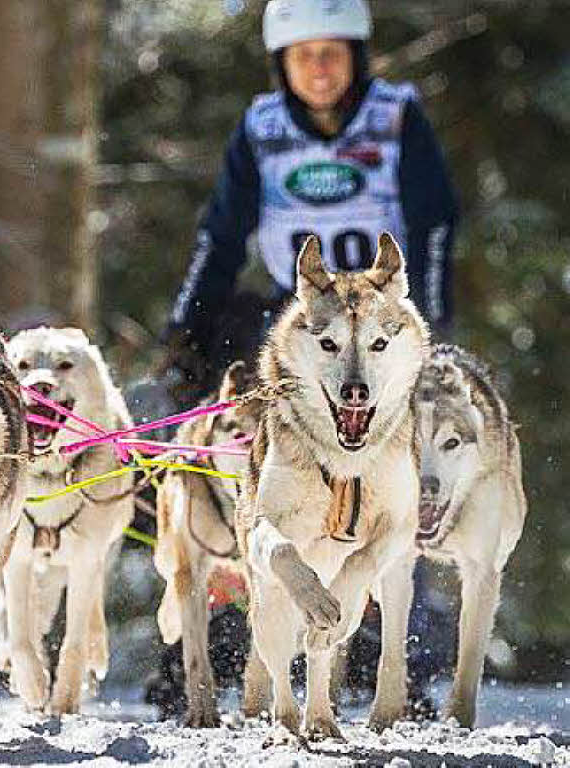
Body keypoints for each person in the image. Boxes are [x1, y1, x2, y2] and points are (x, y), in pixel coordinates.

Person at [150, 0, 459, 719]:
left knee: (401, 476)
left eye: (333, 53)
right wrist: (183, 333)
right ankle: (209, 641)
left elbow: (434, 222)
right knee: (215, 445)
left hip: (380, 325)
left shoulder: (396, 117)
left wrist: (435, 323)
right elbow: (220, 236)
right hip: (290, 317)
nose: (319, 68)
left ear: (356, 56)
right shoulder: (260, 129)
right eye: (303, 55)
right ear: (282, 65)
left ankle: (396, 652)